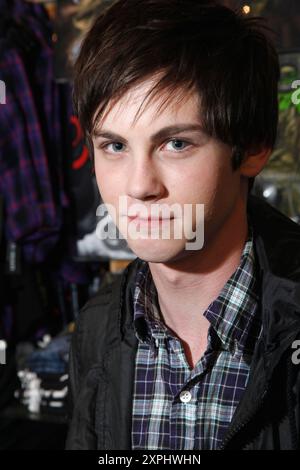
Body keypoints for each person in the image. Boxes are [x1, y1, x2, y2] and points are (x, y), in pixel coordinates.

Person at [66, 0, 300, 450]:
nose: (139, 186)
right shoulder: (96, 329)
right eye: (114, 146)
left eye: (176, 143)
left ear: (252, 147)